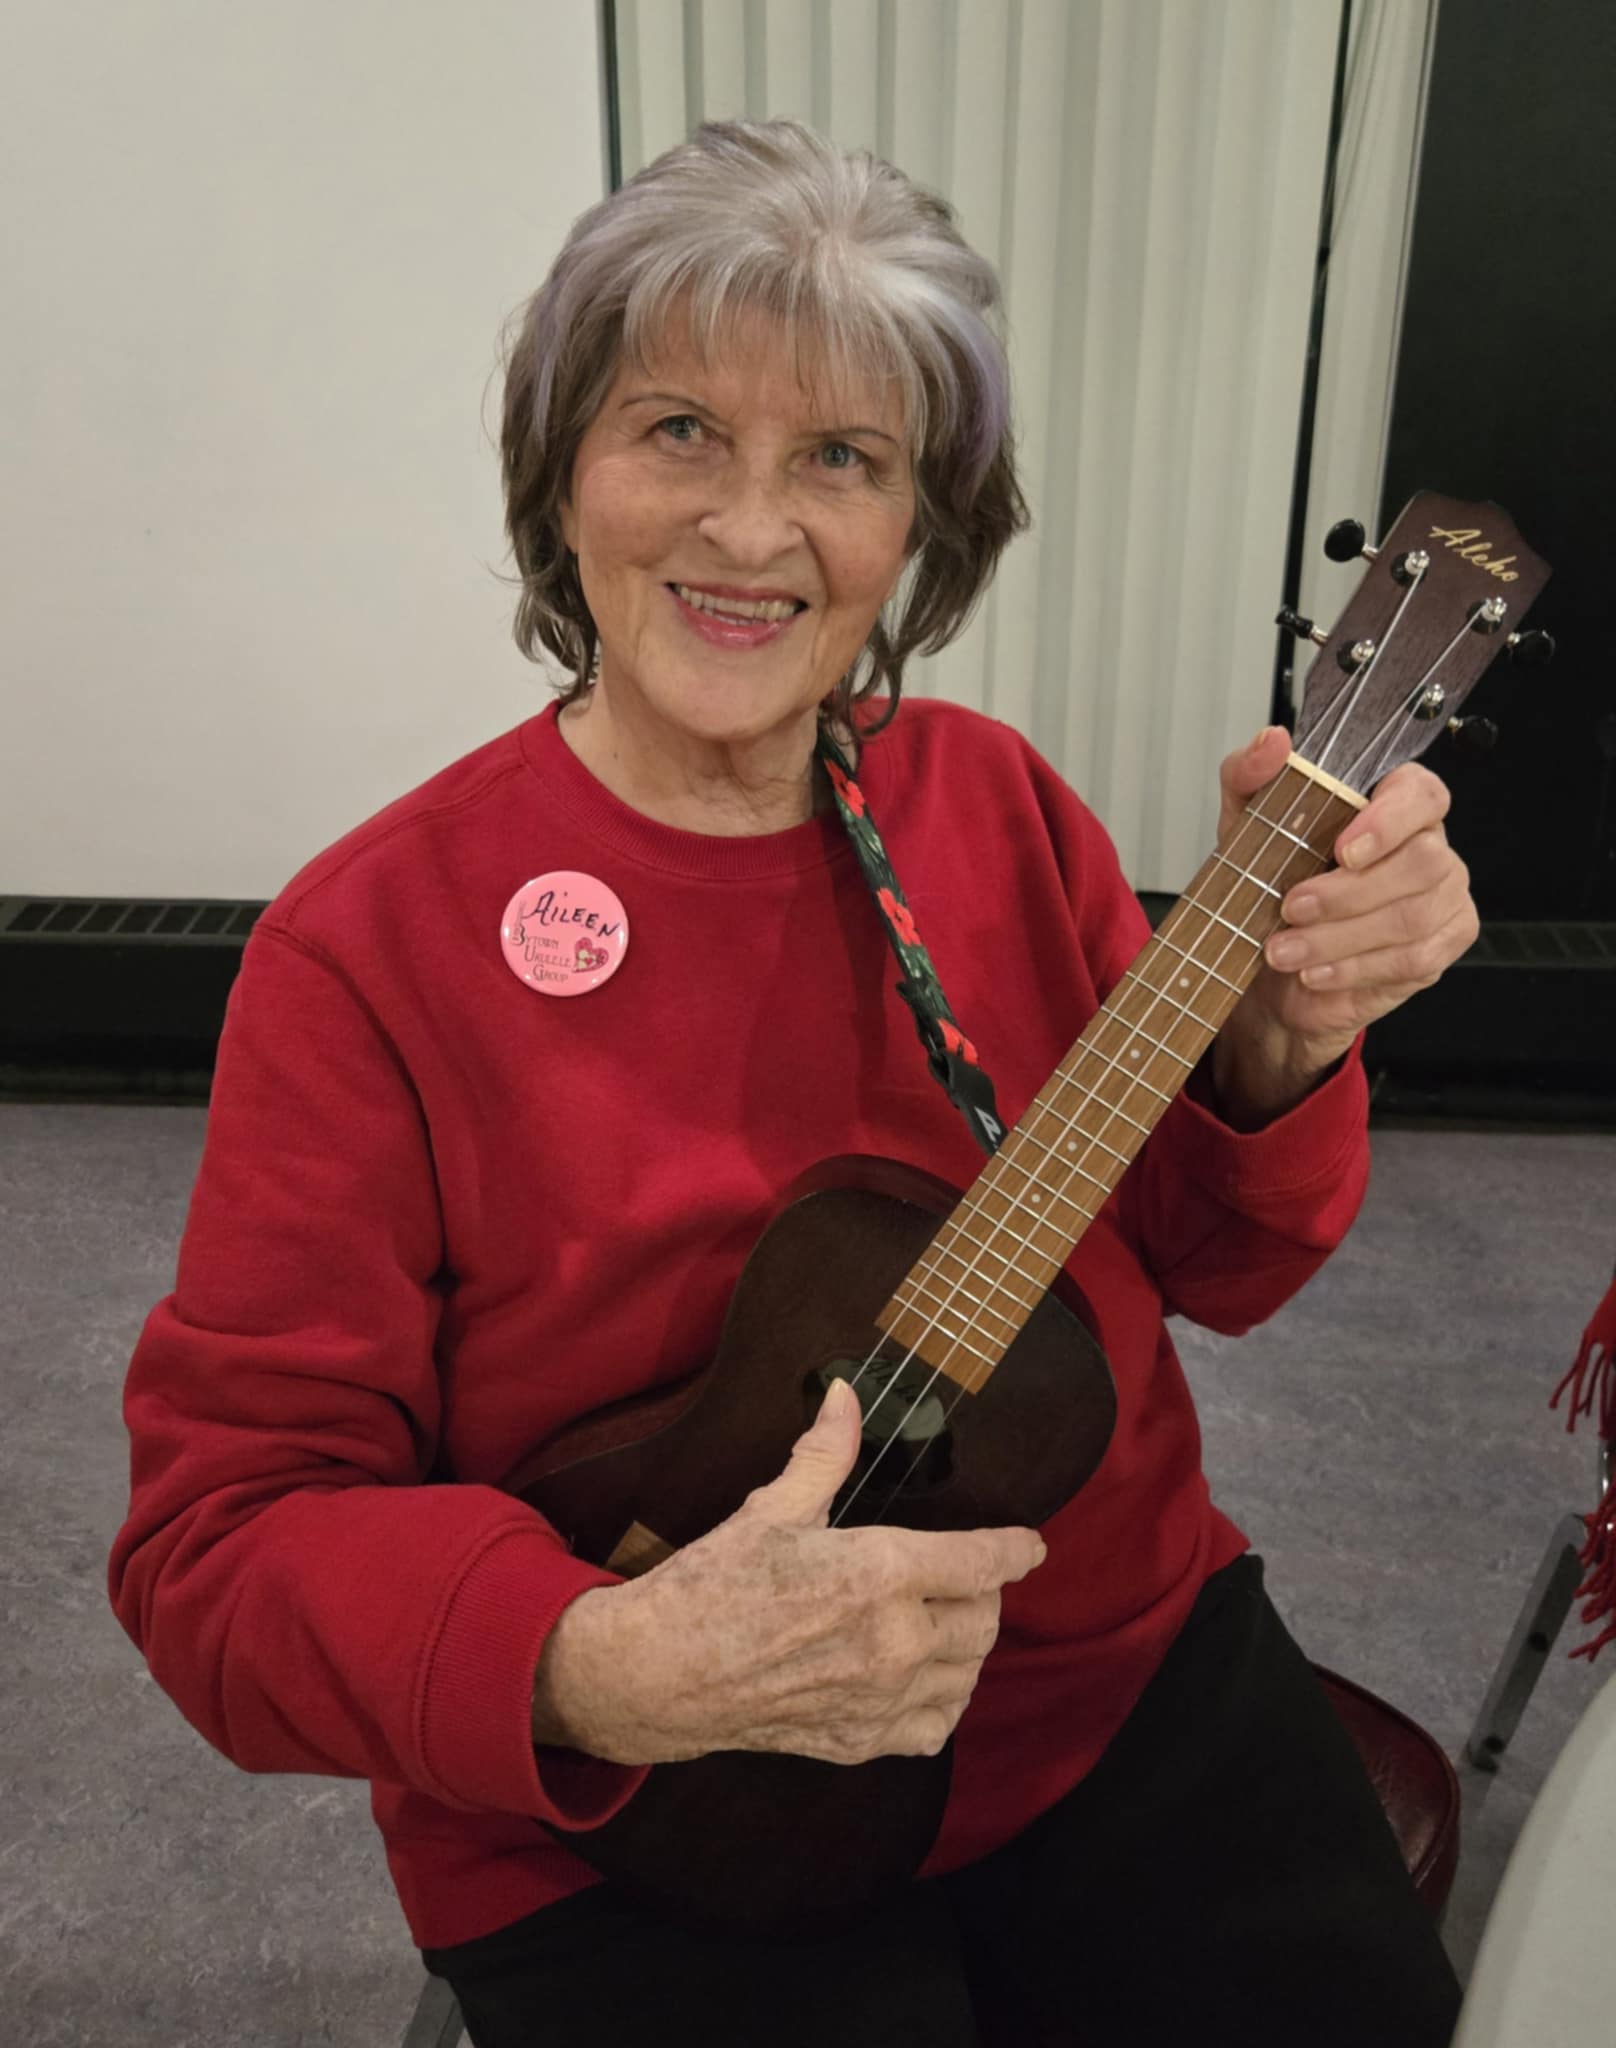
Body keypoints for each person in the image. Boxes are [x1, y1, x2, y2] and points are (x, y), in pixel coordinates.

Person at [109, 120, 1476, 2045]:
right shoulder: (367, 950)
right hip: (646, 1804)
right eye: (679, 430)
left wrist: (1285, 1042)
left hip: (1102, 1685)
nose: (752, 534)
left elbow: (1215, 1267)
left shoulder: (997, 805)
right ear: (563, 474)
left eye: (841, 457)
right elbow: (219, 1549)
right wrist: (599, 1663)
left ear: (921, 525)